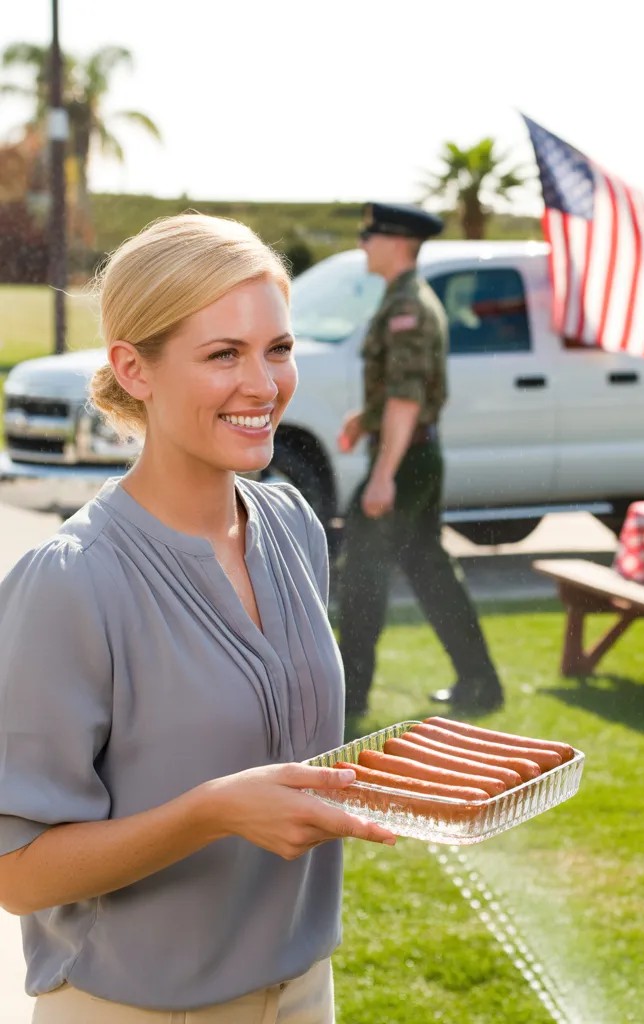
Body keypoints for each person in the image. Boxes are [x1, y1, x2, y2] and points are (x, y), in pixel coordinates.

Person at [0, 213, 397, 1023]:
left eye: (277, 349)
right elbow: (17, 873)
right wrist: (210, 812)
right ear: (133, 369)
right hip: (131, 1008)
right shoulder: (72, 583)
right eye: (223, 354)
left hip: (303, 990)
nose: (264, 384)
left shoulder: (291, 525)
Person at [335, 201, 503, 719]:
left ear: (399, 243)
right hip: (418, 453)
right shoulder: (404, 300)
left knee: (361, 574)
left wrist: (382, 476)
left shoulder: (408, 307)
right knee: (430, 570)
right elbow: (405, 391)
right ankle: (481, 683)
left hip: (405, 460)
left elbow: (408, 397)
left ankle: (348, 697)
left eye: (372, 235)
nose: (364, 243)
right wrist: (366, 418)